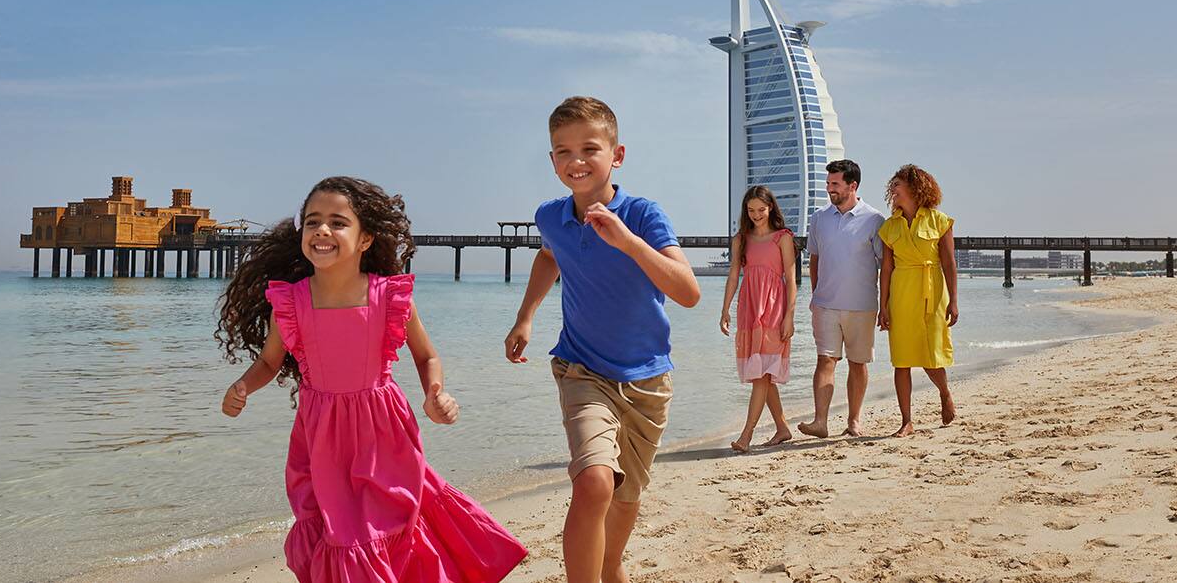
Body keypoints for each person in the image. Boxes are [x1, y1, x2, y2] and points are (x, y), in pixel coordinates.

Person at [216, 176, 526, 582]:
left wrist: (435, 393)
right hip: (320, 437)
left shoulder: (389, 296)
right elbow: (269, 362)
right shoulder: (291, 302)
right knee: (339, 531)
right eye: (312, 222)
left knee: (386, 526)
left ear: (365, 239)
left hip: (383, 435)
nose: (322, 230)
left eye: (337, 222)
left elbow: (426, 355)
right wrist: (242, 387)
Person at [503, 96, 700, 583]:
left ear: (617, 155)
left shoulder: (643, 214)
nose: (576, 161)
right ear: (552, 161)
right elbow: (549, 256)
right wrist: (526, 316)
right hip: (581, 368)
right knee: (593, 482)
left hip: (647, 379)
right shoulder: (550, 216)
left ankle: (611, 567)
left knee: (626, 494)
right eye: (562, 151)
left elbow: (688, 292)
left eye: (589, 148)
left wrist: (628, 241)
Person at [798, 160, 885, 439]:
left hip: (862, 306)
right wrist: (815, 294)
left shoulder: (874, 219)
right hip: (825, 305)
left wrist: (886, 305)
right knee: (825, 360)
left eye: (834, 184)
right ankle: (820, 422)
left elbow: (885, 265)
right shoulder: (819, 218)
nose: (829, 189)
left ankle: (854, 421)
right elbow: (815, 257)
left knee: (858, 363)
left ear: (852, 185)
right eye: (828, 184)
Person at [876, 164, 959, 438]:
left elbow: (948, 263)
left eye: (898, 184)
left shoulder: (939, 221)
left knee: (931, 355)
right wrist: (883, 306)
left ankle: (945, 393)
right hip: (902, 293)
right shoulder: (890, 227)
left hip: (932, 292)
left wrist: (953, 300)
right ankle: (906, 421)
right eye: (893, 185)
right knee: (901, 359)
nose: (894, 189)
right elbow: (886, 269)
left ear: (915, 188)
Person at [719, 185, 797, 453]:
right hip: (750, 308)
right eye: (751, 210)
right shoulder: (741, 239)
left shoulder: (783, 238)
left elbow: (791, 280)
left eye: (761, 210)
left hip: (775, 310)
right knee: (762, 374)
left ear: (771, 207)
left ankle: (746, 435)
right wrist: (725, 309)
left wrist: (790, 317)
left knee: (762, 375)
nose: (756, 215)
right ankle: (782, 428)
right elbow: (733, 275)